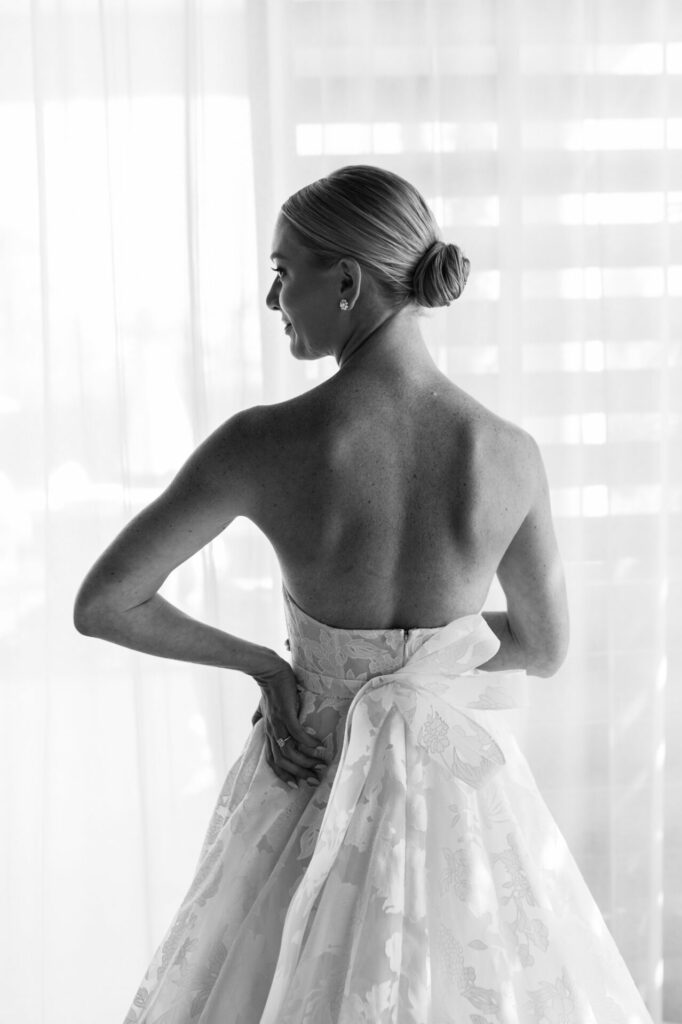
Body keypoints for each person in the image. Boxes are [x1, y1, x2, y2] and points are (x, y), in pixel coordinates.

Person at [74, 165, 653, 1023]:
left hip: (310, 770)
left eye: (284, 271)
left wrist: (274, 669)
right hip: (456, 801)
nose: (273, 299)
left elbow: (107, 601)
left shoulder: (264, 443)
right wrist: (423, 658)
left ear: (345, 281)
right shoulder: (507, 452)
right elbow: (543, 645)